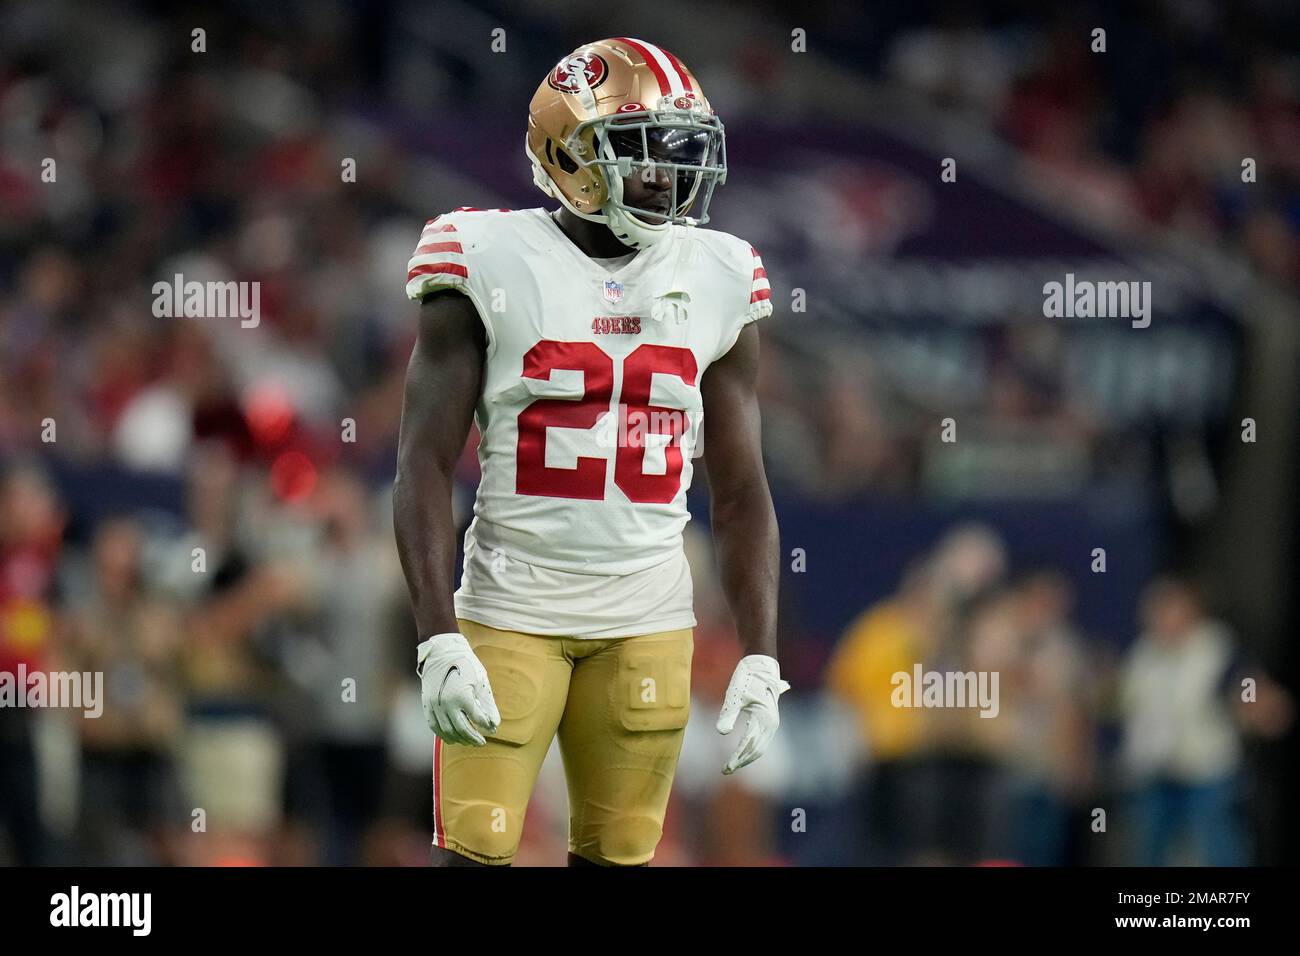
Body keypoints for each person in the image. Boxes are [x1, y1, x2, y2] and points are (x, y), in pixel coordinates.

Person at [393, 38, 788, 867]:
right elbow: (423, 465)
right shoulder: (485, 256)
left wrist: (759, 652)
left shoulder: (719, 271)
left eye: (679, 155)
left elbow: (743, 489)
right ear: (569, 153)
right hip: (511, 611)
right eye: (642, 155)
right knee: (474, 856)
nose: (667, 178)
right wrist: (436, 633)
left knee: (619, 859)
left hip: (648, 617)